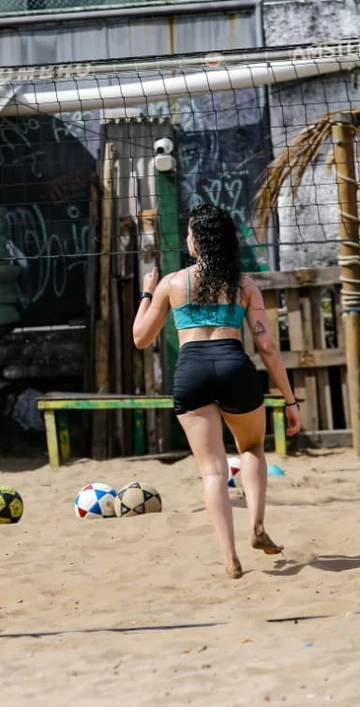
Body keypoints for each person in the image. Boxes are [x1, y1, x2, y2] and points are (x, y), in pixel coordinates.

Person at [133, 204, 300, 579]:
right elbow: (268, 348)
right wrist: (290, 400)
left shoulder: (172, 283)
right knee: (252, 449)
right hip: (233, 366)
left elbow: (140, 338)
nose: (188, 239)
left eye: (191, 233)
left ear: (197, 242)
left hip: (192, 371)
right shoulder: (243, 284)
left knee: (212, 470)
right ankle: (256, 526)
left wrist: (147, 293)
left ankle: (230, 558)